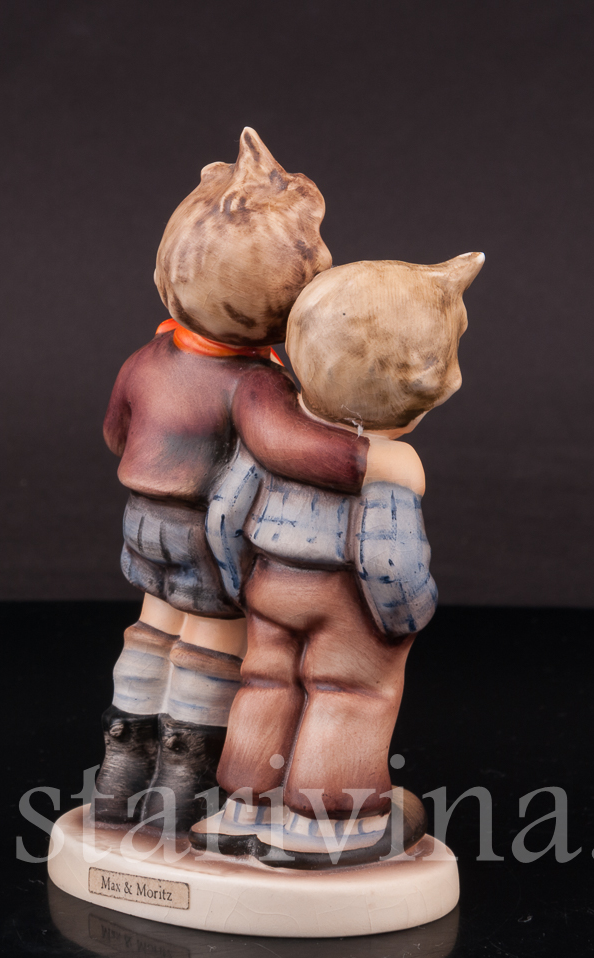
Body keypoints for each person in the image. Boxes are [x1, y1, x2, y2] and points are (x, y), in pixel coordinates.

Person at [96, 128, 378, 833]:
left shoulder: (147, 357)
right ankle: (178, 790)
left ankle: (117, 778)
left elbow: (114, 433)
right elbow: (286, 448)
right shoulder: (254, 383)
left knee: (151, 630)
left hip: (141, 521)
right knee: (209, 642)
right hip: (203, 534)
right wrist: (362, 458)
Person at [191, 252, 485, 867]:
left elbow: (223, 513)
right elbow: (387, 559)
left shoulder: (272, 440)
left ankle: (245, 806)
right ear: (425, 389)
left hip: (271, 587)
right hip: (345, 605)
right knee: (348, 693)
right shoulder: (386, 468)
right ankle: (323, 818)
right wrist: (406, 617)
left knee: (264, 683)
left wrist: (241, 585)